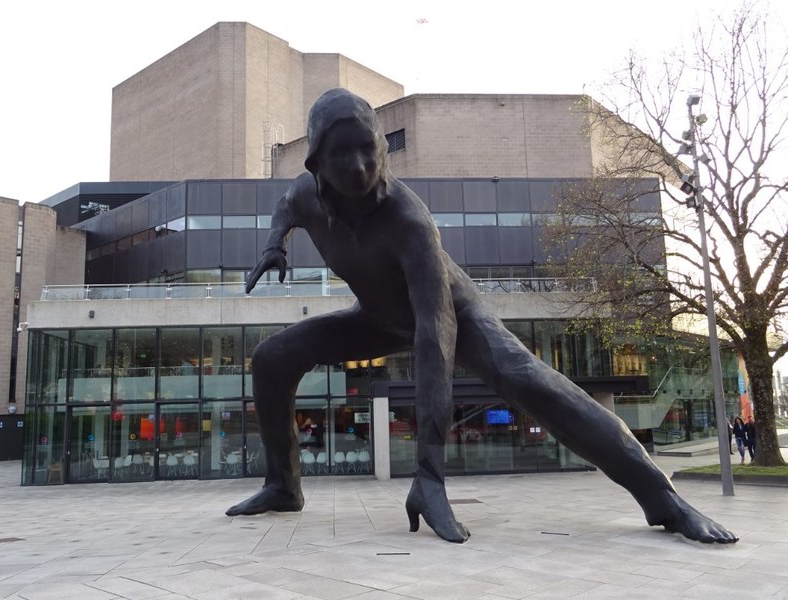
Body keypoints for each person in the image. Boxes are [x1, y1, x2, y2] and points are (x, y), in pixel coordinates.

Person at [225, 88, 737, 544]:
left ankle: (666, 501)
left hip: (457, 315)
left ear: (383, 147)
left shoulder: (409, 222)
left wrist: (429, 473)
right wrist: (276, 246)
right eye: (341, 153)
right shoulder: (304, 195)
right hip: (376, 316)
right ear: (317, 163)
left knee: (536, 385)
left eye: (368, 148)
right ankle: (282, 485)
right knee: (273, 357)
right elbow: (285, 208)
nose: (358, 166)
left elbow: (434, 334)